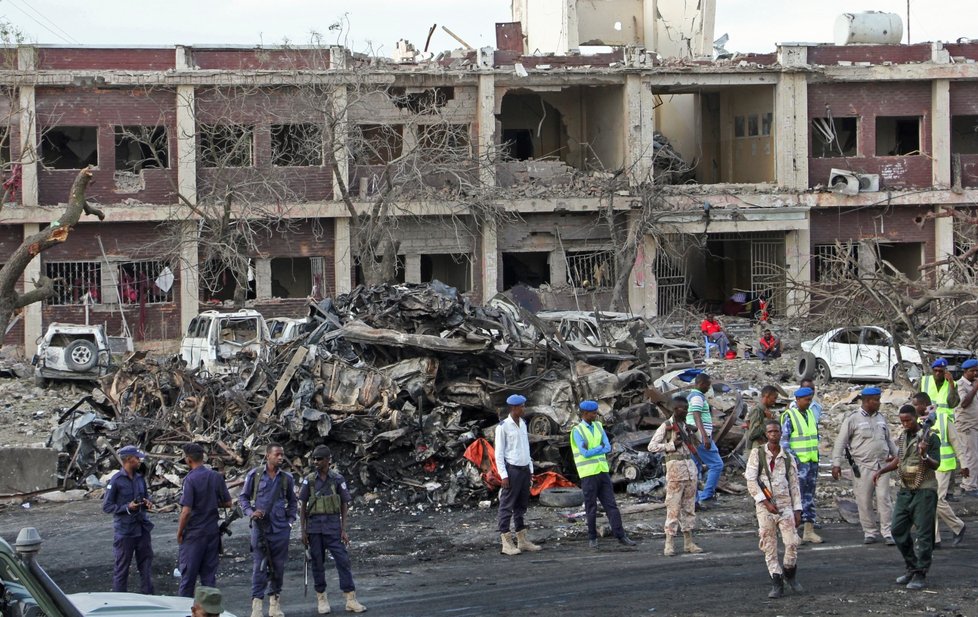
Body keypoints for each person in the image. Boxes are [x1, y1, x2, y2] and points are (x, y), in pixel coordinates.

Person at [873, 405, 942, 590]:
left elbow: (936, 464)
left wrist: (924, 455)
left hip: (924, 490)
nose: (905, 424)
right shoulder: (904, 436)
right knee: (897, 529)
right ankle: (912, 566)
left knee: (924, 534)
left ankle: (920, 573)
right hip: (906, 489)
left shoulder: (931, 437)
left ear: (916, 418)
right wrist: (882, 470)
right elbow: (900, 458)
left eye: (908, 420)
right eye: (902, 421)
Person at [298, 444, 366, 614]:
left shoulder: (337, 479)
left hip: (333, 529)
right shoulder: (310, 480)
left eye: (319, 459)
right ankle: (322, 599)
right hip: (314, 530)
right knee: (317, 565)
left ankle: (350, 599)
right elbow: (303, 506)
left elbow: (344, 504)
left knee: (343, 561)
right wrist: (303, 530)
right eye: (314, 459)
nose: (315, 462)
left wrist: (343, 529)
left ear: (328, 460)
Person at [831, 386, 898, 545]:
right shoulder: (853, 419)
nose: (879, 403)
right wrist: (836, 463)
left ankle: (887, 532)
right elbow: (840, 442)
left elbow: (888, 440)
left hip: (882, 465)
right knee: (864, 500)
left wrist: (898, 457)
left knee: (883, 498)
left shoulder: (881, 418)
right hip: (863, 467)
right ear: (867, 401)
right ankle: (870, 532)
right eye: (876, 400)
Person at [745, 420, 803, 599]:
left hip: (785, 505)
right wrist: (765, 502)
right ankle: (776, 581)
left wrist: (798, 509)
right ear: (766, 434)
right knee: (769, 545)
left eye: (776, 431)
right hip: (765, 507)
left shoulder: (788, 457)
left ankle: (789, 573)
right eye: (770, 432)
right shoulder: (758, 454)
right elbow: (751, 480)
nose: (774, 435)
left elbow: (794, 484)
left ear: (781, 433)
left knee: (792, 542)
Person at [240, 444, 297, 617]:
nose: (281, 457)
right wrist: (251, 513)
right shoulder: (255, 475)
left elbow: (293, 502)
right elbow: (243, 498)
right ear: (268, 456)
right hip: (260, 529)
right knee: (260, 567)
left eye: (282, 454)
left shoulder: (287, 478)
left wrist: (289, 522)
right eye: (277, 454)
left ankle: (274, 604)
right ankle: (256, 607)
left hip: (280, 530)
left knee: (278, 567)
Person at [571, 400, 637, 548]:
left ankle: (621, 536)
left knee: (611, 505)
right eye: (593, 413)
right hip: (588, 474)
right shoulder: (577, 431)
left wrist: (596, 449)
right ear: (585, 414)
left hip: (602, 472)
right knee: (591, 507)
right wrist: (599, 448)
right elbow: (585, 453)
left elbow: (607, 447)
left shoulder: (599, 426)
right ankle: (592, 537)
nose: (596, 415)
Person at [176, 443, 233, 598]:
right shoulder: (215, 476)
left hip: (194, 535)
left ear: (188, 459)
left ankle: (184, 613)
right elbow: (228, 503)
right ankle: (209, 612)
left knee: (188, 580)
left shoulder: (190, 479)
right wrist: (211, 502)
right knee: (209, 580)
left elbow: (186, 511)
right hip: (212, 534)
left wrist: (179, 533)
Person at [647, 397, 702, 556]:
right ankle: (669, 543)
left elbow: (697, 445)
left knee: (689, 508)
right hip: (675, 471)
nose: (685, 411)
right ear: (674, 409)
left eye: (686, 408)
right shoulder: (667, 426)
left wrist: (694, 432)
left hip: (690, 470)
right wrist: (671, 446)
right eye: (682, 408)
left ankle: (688, 542)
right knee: (673, 508)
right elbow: (652, 446)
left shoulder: (686, 427)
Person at [912, 393, 968, 548]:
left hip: (943, 466)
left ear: (925, 405)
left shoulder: (943, 419)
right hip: (926, 467)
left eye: (916, 404)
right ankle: (934, 539)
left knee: (937, 501)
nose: (914, 407)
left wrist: (964, 464)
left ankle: (958, 526)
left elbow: (957, 443)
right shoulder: (917, 421)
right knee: (930, 502)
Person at [102, 444, 154, 594]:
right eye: (137, 458)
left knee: (146, 567)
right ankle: (120, 601)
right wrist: (126, 507)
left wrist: (147, 503)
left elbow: (145, 497)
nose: (139, 461)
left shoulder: (139, 479)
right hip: (125, 532)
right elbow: (107, 507)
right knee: (122, 569)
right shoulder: (116, 480)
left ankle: (149, 599)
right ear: (128, 459)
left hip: (142, 528)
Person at [494, 394, 540, 556]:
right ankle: (506, 542)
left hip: (524, 470)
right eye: (521, 406)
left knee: (521, 505)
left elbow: (525, 448)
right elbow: (499, 454)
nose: (524, 409)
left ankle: (522, 539)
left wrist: (531, 471)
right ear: (514, 408)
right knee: (507, 505)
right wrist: (503, 475)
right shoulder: (503, 427)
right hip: (512, 470)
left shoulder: (523, 424)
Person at [781, 387, 822, 544]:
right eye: (806, 400)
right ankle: (792, 532)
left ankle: (808, 531)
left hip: (811, 462)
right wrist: (794, 461)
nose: (808, 402)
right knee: (795, 498)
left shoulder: (810, 414)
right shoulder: (790, 416)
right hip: (798, 465)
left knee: (809, 496)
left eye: (810, 399)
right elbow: (784, 442)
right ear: (797, 400)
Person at [687, 373, 723, 506]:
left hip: (694, 436)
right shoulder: (697, 397)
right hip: (699, 437)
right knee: (717, 464)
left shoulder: (694, 396)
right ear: (701, 383)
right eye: (707, 385)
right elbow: (697, 417)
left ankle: (694, 499)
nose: (708, 388)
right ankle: (706, 495)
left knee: (695, 468)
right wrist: (704, 436)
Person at [956, 358, 978, 497]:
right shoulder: (961, 385)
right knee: (970, 455)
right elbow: (964, 403)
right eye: (972, 371)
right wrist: (975, 387)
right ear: (965, 372)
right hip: (966, 425)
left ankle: (972, 483)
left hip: (974, 424)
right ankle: (968, 486)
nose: (975, 373)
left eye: (977, 370)